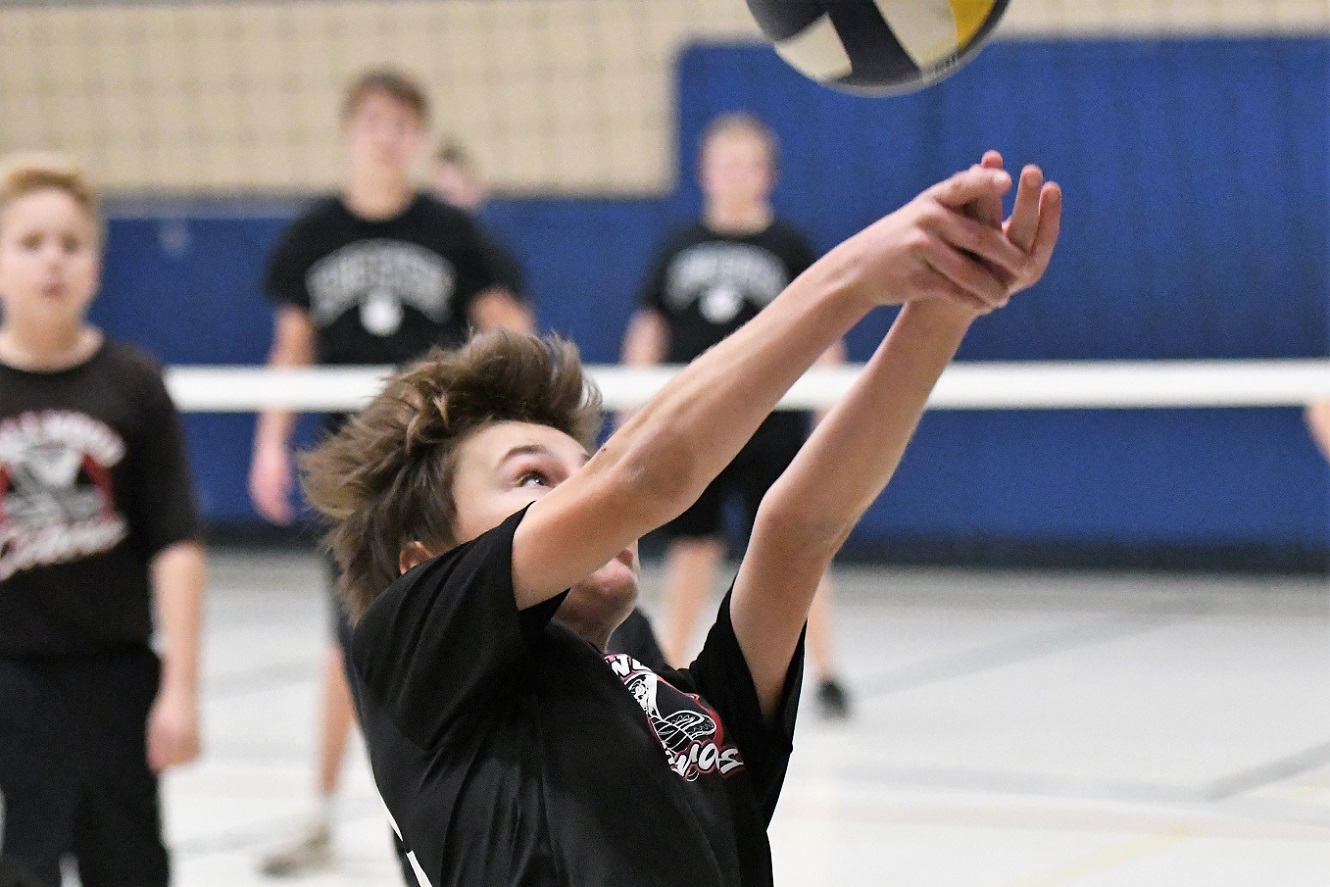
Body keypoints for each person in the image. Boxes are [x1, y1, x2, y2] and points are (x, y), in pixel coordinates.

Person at [299, 154, 1061, 885]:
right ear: (424, 564)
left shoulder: (663, 697)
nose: (583, 498)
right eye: (534, 476)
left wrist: (948, 298)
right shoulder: (410, 664)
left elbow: (799, 529)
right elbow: (641, 478)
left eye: (580, 470)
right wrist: (851, 276)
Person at [248, 69, 532, 876]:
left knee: (455, 639)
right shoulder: (312, 234)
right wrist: (271, 443)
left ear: (417, 136)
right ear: (350, 131)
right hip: (351, 480)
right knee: (349, 644)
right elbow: (292, 347)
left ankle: (467, 808)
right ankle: (320, 812)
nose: (386, 134)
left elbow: (509, 329)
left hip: (442, 472)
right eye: (373, 120)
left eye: (402, 122)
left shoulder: (451, 229)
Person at [0, 153, 206, 886]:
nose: (52, 260)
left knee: (130, 867)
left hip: (116, 678)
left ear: (95, 266)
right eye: (30, 242)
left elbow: (177, 542)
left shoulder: (133, 383)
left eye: (71, 243)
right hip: (10, 678)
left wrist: (181, 686)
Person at [621, 112, 850, 715]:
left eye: (748, 163)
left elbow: (827, 330)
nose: (735, 174)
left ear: (768, 175)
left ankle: (824, 674)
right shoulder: (680, 245)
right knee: (692, 547)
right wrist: (630, 405)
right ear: (703, 172)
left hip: (772, 423)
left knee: (795, 549)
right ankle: (668, 671)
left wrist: (829, 407)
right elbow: (650, 328)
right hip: (698, 426)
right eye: (725, 162)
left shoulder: (788, 245)